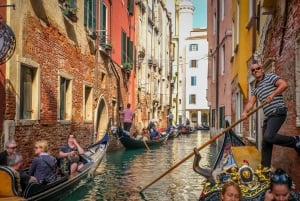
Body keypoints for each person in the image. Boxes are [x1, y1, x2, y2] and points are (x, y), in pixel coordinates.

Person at [241, 61, 300, 168]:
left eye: (258, 68)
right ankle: (265, 171)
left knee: (269, 136)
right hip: (269, 116)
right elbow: (251, 102)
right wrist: (245, 112)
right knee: (266, 144)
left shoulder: (270, 77)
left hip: (278, 111)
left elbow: (284, 84)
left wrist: (273, 94)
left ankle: (295, 140)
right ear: (252, 73)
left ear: (262, 69)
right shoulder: (255, 88)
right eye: (253, 70)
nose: (256, 71)